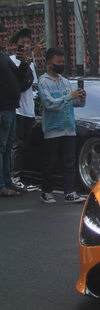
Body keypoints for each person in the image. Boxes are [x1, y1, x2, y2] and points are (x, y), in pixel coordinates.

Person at [38, 47, 86, 204]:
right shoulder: (43, 81)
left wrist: (80, 97)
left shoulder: (65, 81)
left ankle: (70, 192)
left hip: (69, 127)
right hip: (53, 128)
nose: (61, 64)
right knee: (50, 162)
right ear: (49, 63)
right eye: (58, 62)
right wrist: (69, 96)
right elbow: (49, 103)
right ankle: (46, 192)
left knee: (69, 162)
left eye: (62, 61)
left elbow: (76, 103)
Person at [10, 28, 44, 192]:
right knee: (17, 145)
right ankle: (15, 177)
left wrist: (33, 113)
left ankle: (22, 176)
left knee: (25, 145)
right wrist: (31, 57)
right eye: (22, 43)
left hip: (28, 110)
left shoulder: (32, 62)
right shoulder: (12, 61)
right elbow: (21, 83)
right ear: (15, 45)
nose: (27, 46)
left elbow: (33, 88)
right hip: (17, 110)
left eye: (29, 43)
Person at [0, 23, 31, 197]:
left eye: (6, 36)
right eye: (1, 37)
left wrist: (23, 62)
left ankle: (7, 181)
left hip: (11, 109)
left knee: (6, 148)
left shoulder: (4, 57)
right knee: (2, 147)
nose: (5, 40)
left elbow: (18, 80)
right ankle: (1, 184)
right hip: (2, 109)